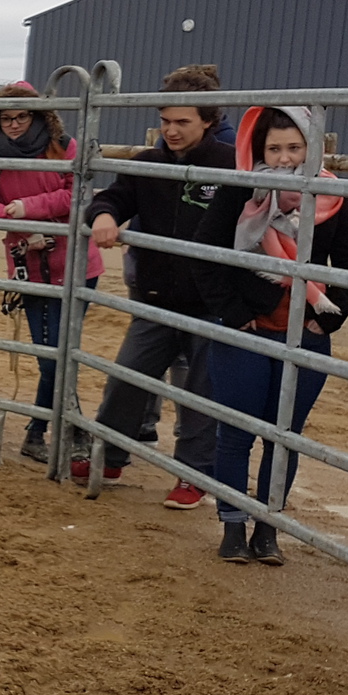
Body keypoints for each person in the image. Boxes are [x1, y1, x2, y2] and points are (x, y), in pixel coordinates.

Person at [192, 106, 348, 566]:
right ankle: (232, 523)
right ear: (257, 148)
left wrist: (326, 321)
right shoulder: (241, 188)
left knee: (284, 435)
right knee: (237, 432)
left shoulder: (333, 196)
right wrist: (234, 314)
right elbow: (205, 254)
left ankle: (269, 527)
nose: (284, 159)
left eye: (294, 147)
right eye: (274, 148)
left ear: (312, 147)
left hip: (304, 331)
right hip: (247, 329)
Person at [78, 67, 235, 502]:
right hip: (156, 298)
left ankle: (193, 475)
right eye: (165, 121)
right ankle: (108, 455)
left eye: (182, 122)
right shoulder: (147, 164)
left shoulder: (231, 164)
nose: (171, 130)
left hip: (211, 303)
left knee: (201, 395)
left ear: (207, 120)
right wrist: (105, 216)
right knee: (127, 378)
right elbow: (112, 197)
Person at [0, 82, 103, 463]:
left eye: (21, 116)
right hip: (32, 264)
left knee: (64, 350)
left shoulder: (65, 147)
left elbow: (80, 195)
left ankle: (49, 428)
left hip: (75, 264)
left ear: (38, 115)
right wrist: (11, 213)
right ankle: (51, 428)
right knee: (50, 354)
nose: (13, 124)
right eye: (5, 118)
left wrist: (27, 207)